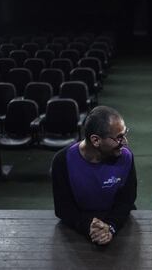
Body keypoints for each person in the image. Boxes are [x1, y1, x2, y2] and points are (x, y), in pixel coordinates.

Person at [51, 105, 137, 245]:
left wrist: (111, 227)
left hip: (115, 221)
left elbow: (127, 200)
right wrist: (88, 226)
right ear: (96, 140)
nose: (125, 142)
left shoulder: (126, 156)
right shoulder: (62, 161)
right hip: (79, 225)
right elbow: (63, 208)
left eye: (125, 134)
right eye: (119, 138)